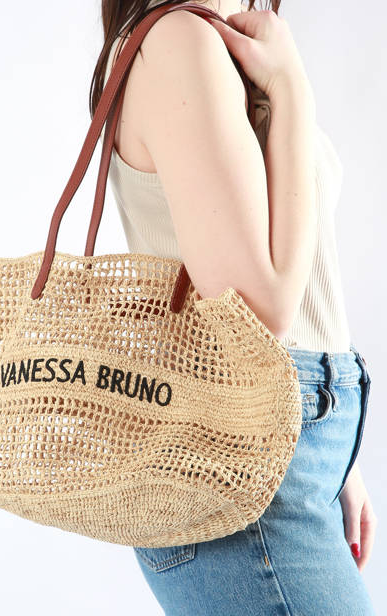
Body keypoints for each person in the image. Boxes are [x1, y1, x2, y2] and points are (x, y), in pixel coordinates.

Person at [93, 0, 378, 613]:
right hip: (250, 472)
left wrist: (338, 459)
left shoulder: (218, 36)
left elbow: (298, 271)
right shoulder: (178, 42)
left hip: (290, 451)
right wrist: (292, 88)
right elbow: (260, 308)